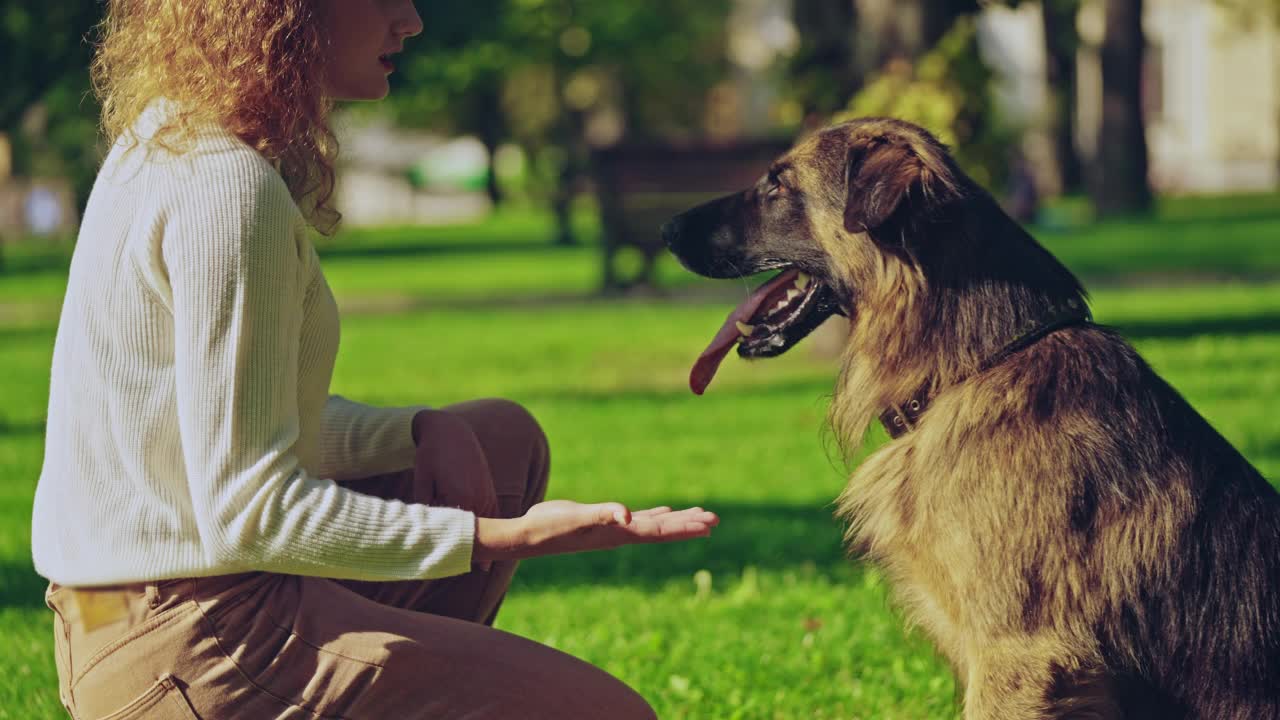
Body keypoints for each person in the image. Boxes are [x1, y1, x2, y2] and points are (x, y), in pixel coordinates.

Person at [32, 1, 719, 718]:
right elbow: (250, 510)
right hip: (195, 643)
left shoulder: (166, 137)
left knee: (496, 440)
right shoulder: (225, 190)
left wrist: (416, 430)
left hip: (115, 622)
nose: (412, 21)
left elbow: (211, 423)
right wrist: (500, 538)